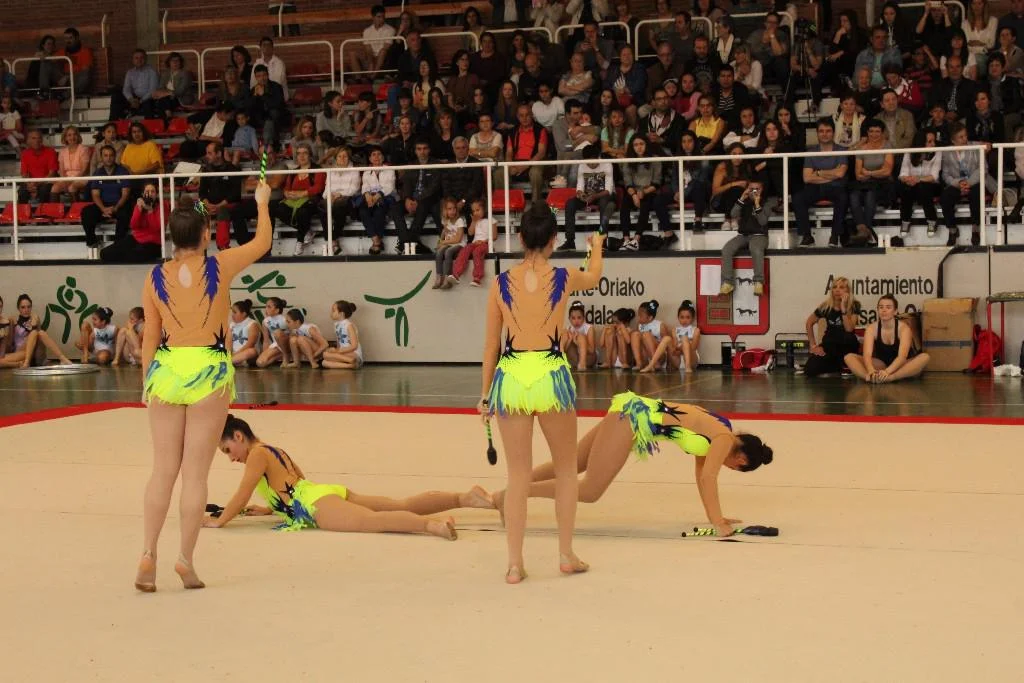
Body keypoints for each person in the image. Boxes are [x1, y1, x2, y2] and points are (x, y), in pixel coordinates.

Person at [135, 176, 272, 593]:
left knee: (163, 470)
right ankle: (184, 560)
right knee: (194, 475)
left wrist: (147, 384)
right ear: (206, 234)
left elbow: (149, 336)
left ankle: (147, 553)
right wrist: (262, 201)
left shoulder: (154, 276)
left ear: (172, 237)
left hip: (167, 370)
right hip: (208, 370)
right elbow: (263, 242)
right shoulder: (220, 265)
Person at [479, 202, 605, 584]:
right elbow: (594, 275)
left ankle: (514, 564)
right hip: (550, 375)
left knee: (518, 476)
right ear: (553, 239)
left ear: (520, 238)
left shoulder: (500, 283)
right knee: (566, 470)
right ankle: (565, 554)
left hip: (513, 377)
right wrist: (595, 246)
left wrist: (484, 395)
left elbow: (491, 346)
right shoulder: (564, 277)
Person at [489, 392, 773, 538]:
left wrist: (715, 518)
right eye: (734, 468)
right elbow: (710, 477)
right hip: (631, 419)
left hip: (630, 411)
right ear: (741, 460)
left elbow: (701, 476)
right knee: (590, 490)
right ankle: (512, 496)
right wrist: (719, 522)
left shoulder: (718, 431)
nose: (727, 468)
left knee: (572, 463)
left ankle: (509, 493)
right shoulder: (724, 439)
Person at [206, 415, 493, 536]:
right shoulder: (270, 449)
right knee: (400, 504)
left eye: (227, 449)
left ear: (239, 436)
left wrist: (220, 520)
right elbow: (294, 482)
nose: (231, 457)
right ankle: (464, 498)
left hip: (315, 504)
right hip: (321, 493)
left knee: (372, 522)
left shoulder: (256, 454)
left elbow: (242, 493)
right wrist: (270, 509)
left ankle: (434, 526)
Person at [844, 295, 930, 382]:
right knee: (849, 357)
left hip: (901, 366)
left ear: (895, 311)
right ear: (878, 310)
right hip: (882, 365)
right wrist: (870, 370)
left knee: (925, 357)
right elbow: (867, 354)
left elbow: (902, 357)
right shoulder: (871, 328)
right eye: (881, 307)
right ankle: (869, 378)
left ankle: (891, 378)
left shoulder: (904, 329)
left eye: (888, 307)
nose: (884, 310)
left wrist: (887, 372)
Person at [793, 118, 849, 248]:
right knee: (798, 198)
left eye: (828, 131)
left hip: (836, 188)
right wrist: (832, 174)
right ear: (817, 133)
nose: (825, 134)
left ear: (833, 132)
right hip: (815, 188)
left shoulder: (841, 150)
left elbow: (841, 173)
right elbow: (807, 178)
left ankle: (835, 236)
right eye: (821, 131)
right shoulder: (811, 151)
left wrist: (818, 172)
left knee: (843, 197)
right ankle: (807, 236)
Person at [559, 142, 614, 252]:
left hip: (603, 196)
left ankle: (602, 240)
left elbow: (609, 190)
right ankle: (570, 241)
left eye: (593, 162)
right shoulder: (582, 165)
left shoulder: (607, 164)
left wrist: (595, 196)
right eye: (588, 162)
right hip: (588, 196)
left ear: (598, 158)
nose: (591, 165)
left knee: (604, 203)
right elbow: (579, 187)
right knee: (570, 203)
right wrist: (581, 195)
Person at [801, 277, 861, 377]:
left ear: (848, 290)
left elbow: (849, 329)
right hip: (830, 345)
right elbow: (809, 322)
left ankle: (844, 365)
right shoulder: (825, 306)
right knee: (809, 369)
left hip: (847, 345)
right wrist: (813, 346)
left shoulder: (854, 305)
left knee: (848, 337)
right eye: (834, 287)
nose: (837, 290)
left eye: (841, 287)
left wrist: (843, 308)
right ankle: (838, 366)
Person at [848, 118, 894, 246]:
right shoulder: (861, 148)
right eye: (871, 131)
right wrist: (876, 172)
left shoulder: (887, 146)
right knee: (853, 195)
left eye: (877, 131)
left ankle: (864, 231)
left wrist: (868, 173)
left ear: (882, 133)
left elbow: (887, 171)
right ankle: (863, 229)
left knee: (870, 194)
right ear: (867, 133)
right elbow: (858, 174)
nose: (874, 134)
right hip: (864, 183)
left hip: (883, 183)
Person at [939, 122, 986, 246]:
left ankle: (975, 229)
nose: (965, 139)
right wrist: (958, 183)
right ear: (953, 140)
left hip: (974, 181)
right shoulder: (946, 152)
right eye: (961, 137)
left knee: (977, 194)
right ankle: (952, 229)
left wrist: (969, 183)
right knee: (945, 197)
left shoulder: (976, 147)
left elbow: (983, 168)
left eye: (965, 135)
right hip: (957, 183)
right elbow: (945, 174)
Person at [390, 139, 441, 255]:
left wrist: (417, 200)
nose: (422, 152)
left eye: (425, 149)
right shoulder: (411, 165)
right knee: (395, 208)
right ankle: (404, 241)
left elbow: (434, 187)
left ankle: (411, 240)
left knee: (423, 205)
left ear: (429, 150)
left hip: (428, 199)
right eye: (419, 149)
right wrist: (408, 199)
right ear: (415, 151)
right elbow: (406, 184)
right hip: (412, 198)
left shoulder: (436, 164)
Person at [620, 136, 670, 251]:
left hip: (650, 191)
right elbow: (627, 183)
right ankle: (626, 239)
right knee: (625, 203)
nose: (639, 147)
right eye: (636, 145)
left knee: (645, 203)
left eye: (641, 144)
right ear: (632, 147)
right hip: (634, 192)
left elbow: (657, 182)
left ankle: (636, 239)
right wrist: (634, 195)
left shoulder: (655, 159)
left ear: (647, 145)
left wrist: (643, 192)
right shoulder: (628, 161)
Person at [719, 181, 769, 297]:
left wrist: (757, 204)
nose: (754, 192)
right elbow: (733, 214)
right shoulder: (744, 201)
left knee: (755, 249)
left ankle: (758, 282)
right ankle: (728, 282)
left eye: (757, 189)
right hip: (743, 235)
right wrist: (742, 197)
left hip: (759, 235)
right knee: (727, 249)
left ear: (762, 190)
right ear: (747, 190)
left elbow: (763, 221)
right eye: (751, 189)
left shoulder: (767, 202)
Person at [0, 294, 73, 368]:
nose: (26, 310)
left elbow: (41, 340)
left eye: (29, 307)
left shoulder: (35, 318)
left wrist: (33, 325)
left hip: (33, 351)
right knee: (34, 333)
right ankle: (24, 362)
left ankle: (62, 358)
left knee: (40, 333)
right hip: (20, 351)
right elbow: (9, 342)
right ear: (18, 308)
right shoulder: (12, 319)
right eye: (23, 307)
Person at [82, 144, 131, 249]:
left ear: (115, 156)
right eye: (105, 155)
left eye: (111, 155)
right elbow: (95, 195)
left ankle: (118, 245)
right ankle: (92, 242)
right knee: (86, 212)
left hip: (119, 205)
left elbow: (125, 194)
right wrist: (103, 209)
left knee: (126, 214)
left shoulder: (123, 171)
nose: (108, 158)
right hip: (103, 206)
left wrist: (116, 208)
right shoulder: (98, 173)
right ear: (101, 157)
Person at [101, 182, 164, 263]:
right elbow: (133, 225)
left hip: (153, 242)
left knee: (132, 256)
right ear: (143, 194)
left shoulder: (162, 206)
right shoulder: (139, 204)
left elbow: (157, 228)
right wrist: (139, 209)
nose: (150, 194)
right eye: (147, 191)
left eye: (153, 191)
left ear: (156, 194)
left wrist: (150, 210)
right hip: (136, 238)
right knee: (105, 253)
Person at [897, 130, 942, 241]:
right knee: (906, 188)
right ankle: (905, 221)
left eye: (934, 141)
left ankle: (932, 220)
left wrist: (918, 179)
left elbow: (934, 176)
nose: (933, 144)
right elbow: (902, 174)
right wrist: (908, 179)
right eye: (929, 142)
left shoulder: (938, 152)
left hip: (932, 186)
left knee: (923, 187)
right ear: (921, 142)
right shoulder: (909, 152)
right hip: (912, 185)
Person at [642, 300, 701, 372]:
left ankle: (688, 367)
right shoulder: (675, 330)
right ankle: (651, 365)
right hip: (678, 360)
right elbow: (675, 346)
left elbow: (693, 348)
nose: (684, 320)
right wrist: (677, 349)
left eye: (688, 317)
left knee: (684, 338)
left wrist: (682, 347)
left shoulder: (696, 330)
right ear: (678, 317)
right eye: (682, 317)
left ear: (693, 318)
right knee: (667, 338)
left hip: (691, 359)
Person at [358, 146, 396, 256]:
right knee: (363, 211)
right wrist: (367, 195)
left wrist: (377, 196)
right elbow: (365, 186)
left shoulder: (389, 170)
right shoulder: (367, 172)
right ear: (370, 158)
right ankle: (377, 239)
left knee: (379, 212)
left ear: (383, 157)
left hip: (385, 197)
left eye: (379, 154)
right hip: (370, 198)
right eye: (373, 155)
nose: (376, 157)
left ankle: (375, 242)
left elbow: (390, 186)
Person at [450, 199, 496, 288]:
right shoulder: (475, 221)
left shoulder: (491, 220)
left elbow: (494, 236)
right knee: (465, 249)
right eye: (473, 211)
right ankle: (456, 274)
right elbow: (470, 233)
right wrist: (474, 222)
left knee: (477, 252)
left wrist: (484, 241)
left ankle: (477, 278)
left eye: (478, 210)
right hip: (475, 243)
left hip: (486, 244)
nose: (475, 213)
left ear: (484, 209)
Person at [110, 49, 159, 120]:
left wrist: (140, 101)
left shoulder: (152, 72)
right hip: (134, 98)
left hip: (147, 98)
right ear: (133, 60)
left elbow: (152, 90)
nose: (139, 60)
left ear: (146, 59)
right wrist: (131, 99)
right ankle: (113, 122)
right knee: (116, 97)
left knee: (148, 103)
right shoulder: (130, 72)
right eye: (136, 58)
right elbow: (126, 89)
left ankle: (148, 124)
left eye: (141, 57)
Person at [350, 6, 397, 78]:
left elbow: (386, 48)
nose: (382, 19)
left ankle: (373, 76)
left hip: (383, 59)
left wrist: (374, 61)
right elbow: (368, 49)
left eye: (383, 17)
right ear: (373, 17)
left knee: (383, 51)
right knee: (352, 53)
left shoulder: (390, 29)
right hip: (370, 57)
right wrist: (371, 63)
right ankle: (358, 79)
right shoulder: (367, 31)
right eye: (379, 17)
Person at [249, 64, 288, 147]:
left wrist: (263, 95)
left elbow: (277, 105)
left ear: (268, 75)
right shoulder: (254, 90)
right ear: (256, 78)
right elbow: (251, 108)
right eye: (259, 76)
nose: (262, 78)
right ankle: (268, 148)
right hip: (261, 119)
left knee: (271, 118)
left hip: (277, 117)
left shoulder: (276, 87)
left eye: (264, 75)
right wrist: (255, 96)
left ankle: (267, 148)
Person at [434, 197, 466, 290]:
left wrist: (443, 242)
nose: (452, 211)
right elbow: (444, 233)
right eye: (449, 209)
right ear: (445, 210)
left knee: (448, 252)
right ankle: (439, 276)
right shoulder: (446, 221)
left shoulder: (460, 221)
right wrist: (440, 242)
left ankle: (448, 278)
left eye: (454, 208)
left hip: (459, 244)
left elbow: (458, 239)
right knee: (439, 252)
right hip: (448, 243)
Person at [18, 129, 58, 203]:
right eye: (33, 138)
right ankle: (22, 211)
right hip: (31, 183)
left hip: (46, 182)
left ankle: (44, 210)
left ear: (42, 140)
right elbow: (24, 174)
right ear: (28, 140)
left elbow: (52, 174)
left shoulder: (51, 152)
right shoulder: (25, 153)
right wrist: (29, 185)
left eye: (39, 138)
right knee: (22, 191)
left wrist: (37, 184)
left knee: (44, 190)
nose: (37, 140)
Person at [151, 52, 195, 119]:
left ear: (181, 62)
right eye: (172, 60)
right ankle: (168, 115)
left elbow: (180, 91)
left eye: (177, 60)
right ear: (169, 62)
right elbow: (161, 87)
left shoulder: (185, 74)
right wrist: (160, 93)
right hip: (168, 98)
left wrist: (165, 93)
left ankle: (166, 119)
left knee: (162, 101)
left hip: (182, 98)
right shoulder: (165, 74)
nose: (175, 62)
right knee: (162, 100)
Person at [322, 300, 363, 370]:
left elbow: (354, 346)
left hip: (354, 354)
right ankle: (351, 365)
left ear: (341, 314)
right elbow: (339, 343)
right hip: (343, 354)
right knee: (324, 362)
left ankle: (353, 361)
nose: (331, 313)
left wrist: (336, 351)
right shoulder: (336, 325)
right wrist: (336, 351)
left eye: (333, 311)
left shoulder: (349, 325)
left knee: (325, 355)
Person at [256, 297, 291, 368]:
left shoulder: (285, 319)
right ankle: (280, 355)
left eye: (269, 307)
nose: (266, 309)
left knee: (277, 332)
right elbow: (266, 340)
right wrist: (265, 353)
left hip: (288, 344)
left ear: (277, 310)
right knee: (260, 363)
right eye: (266, 306)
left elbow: (294, 333)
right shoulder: (265, 321)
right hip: (277, 345)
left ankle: (286, 355)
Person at [563, 301, 596, 372]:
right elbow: (563, 350)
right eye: (573, 318)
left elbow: (591, 350)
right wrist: (570, 340)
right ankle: (557, 363)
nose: (576, 321)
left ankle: (582, 364)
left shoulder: (589, 328)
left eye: (579, 318)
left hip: (588, 359)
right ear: (569, 319)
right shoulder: (567, 329)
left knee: (581, 336)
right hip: (574, 360)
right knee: (565, 334)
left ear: (583, 318)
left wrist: (577, 342)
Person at [229, 300, 260, 367]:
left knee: (251, 351)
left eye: (235, 312)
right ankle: (235, 361)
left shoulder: (252, 324)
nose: (232, 315)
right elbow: (229, 342)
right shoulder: (231, 325)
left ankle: (227, 362)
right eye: (232, 312)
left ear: (244, 314)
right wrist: (229, 353)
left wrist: (236, 354)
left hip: (246, 353)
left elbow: (250, 344)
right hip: (234, 354)